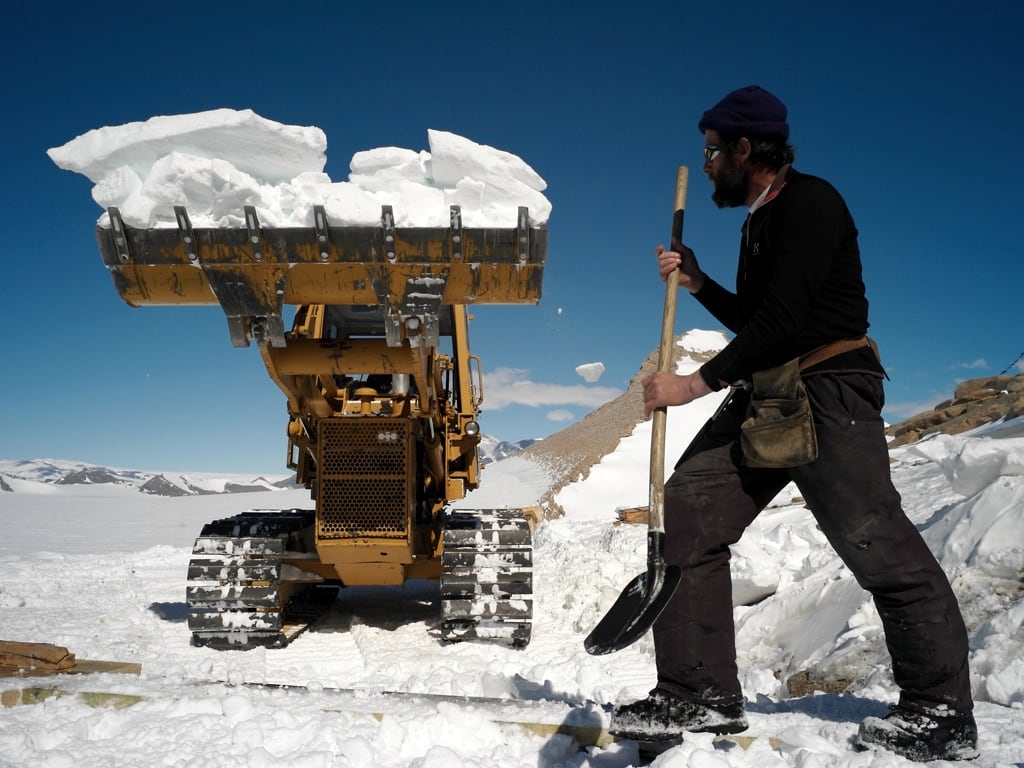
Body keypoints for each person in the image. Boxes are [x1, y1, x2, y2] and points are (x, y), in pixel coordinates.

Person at [608, 85, 978, 762]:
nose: (708, 160)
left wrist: (693, 384)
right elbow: (763, 321)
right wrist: (699, 283)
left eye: (715, 149)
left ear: (747, 148)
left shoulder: (811, 203)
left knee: (880, 548)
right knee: (690, 504)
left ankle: (940, 714)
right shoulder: (759, 221)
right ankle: (698, 692)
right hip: (772, 387)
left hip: (829, 389)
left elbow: (785, 323)